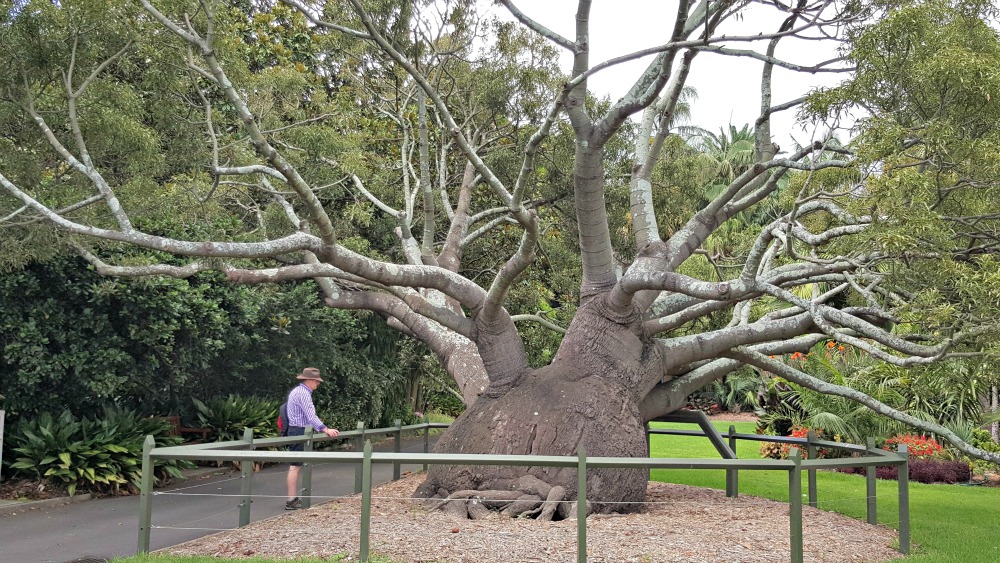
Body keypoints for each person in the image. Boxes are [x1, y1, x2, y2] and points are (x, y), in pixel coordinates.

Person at [284, 367, 340, 510]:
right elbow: (311, 416)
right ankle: (291, 500)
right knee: (295, 466)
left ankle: (293, 498)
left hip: (296, 430)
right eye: (316, 381)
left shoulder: (297, 391)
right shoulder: (303, 393)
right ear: (309, 380)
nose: (318, 384)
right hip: (299, 431)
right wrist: (325, 429)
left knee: (297, 465)